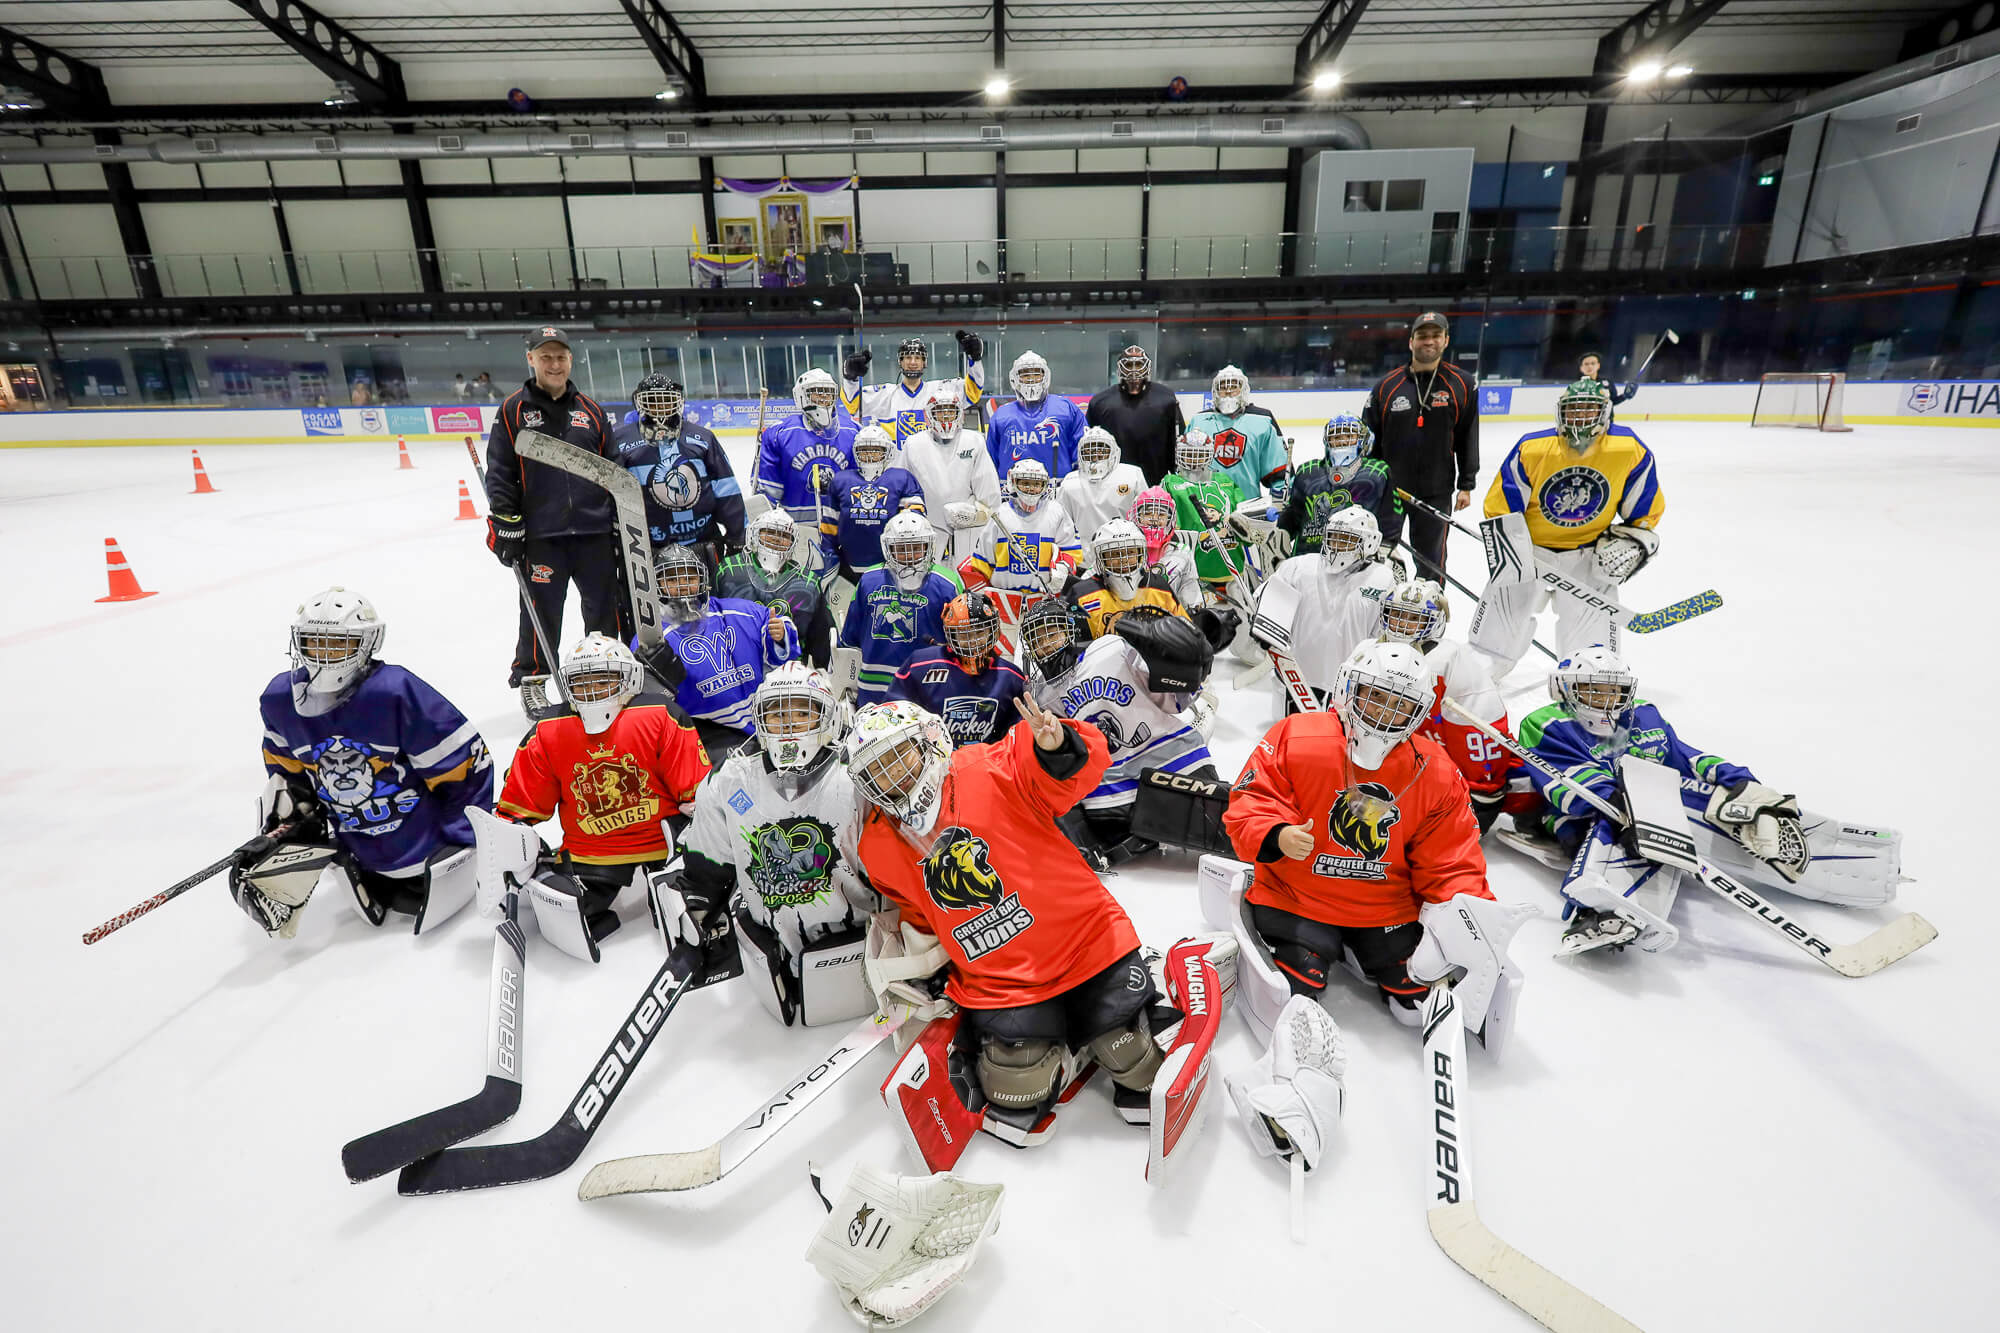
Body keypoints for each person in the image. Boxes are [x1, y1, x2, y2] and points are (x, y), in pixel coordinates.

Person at [843, 697, 1171, 1122]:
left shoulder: (989, 765)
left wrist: (1056, 746)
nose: (890, 774)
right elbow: (920, 911)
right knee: (1016, 1087)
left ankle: (1111, 1021)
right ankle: (1069, 1044)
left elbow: (1073, 771)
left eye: (897, 754)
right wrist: (925, 969)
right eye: (876, 768)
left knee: (1136, 1066)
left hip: (1085, 945)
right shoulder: (878, 845)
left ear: (928, 741)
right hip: (1001, 978)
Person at [1222, 640, 1520, 1043]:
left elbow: (1451, 858)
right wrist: (1274, 832)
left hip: (1383, 908)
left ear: (1419, 712)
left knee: (1416, 993)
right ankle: (1319, 949)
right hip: (1296, 895)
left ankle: (1362, 949)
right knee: (1297, 983)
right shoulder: (1299, 735)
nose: (1386, 711)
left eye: (1402, 704)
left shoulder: (1435, 771)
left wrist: (1469, 916)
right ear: (1349, 688)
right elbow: (1254, 797)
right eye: (1376, 695)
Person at [1515, 646, 1903, 955]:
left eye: (1614, 691)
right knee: (1608, 825)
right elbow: (1563, 783)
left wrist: (1739, 783)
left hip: (1649, 800)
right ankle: (1601, 911)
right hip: (1575, 815)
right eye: (1594, 690)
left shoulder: (1644, 716)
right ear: (1565, 689)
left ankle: (1833, 856)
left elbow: (1686, 757)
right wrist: (1622, 803)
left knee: (1728, 802)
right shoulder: (1547, 723)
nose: (1606, 700)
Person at [236, 587, 492, 940]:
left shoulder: (392, 692)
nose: (324, 656)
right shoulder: (280, 700)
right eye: (314, 642)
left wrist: (464, 839)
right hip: (357, 860)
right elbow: (286, 779)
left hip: (431, 857)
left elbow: (463, 766)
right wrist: (288, 833)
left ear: (368, 643)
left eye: (338, 644)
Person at [480, 633, 711, 963]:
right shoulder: (548, 731)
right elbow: (521, 806)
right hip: (594, 850)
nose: (591, 691)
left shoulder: (661, 715)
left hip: (666, 844)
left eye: (602, 680)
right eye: (582, 682)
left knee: (696, 902)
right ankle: (558, 880)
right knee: (567, 909)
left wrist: (705, 846)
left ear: (628, 678)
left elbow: (695, 794)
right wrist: (511, 850)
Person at [678, 664, 878, 1027]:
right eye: (777, 714)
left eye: (802, 713)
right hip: (771, 952)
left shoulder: (857, 775)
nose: (788, 726)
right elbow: (710, 854)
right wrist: (700, 901)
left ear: (828, 716)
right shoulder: (730, 778)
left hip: (857, 948)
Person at [1469, 380, 1665, 675]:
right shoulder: (1533, 448)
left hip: (1587, 556)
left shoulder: (1628, 449)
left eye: (1589, 409)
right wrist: (1513, 553)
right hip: (1530, 552)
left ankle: (1589, 693)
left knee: (1592, 655)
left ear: (1605, 413)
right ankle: (1475, 685)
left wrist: (1634, 542)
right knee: (1495, 639)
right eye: (1574, 410)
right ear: (1561, 413)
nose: (1581, 417)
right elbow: (1501, 507)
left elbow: (1643, 511)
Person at [1021, 597, 1218, 868]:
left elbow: (1174, 698)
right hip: (1111, 791)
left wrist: (1182, 666)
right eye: (1037, 639)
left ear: (1070, 630)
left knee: (1226, 822)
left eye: (1051, 633)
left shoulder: (1110, 648)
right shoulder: (1041, 695)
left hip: (1168, 760)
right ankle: (1085, 846)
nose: (1045, 644)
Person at [482, 325, 621, 689]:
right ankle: (534, 680)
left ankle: (606, 675)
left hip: (594, 535)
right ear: (531, 359)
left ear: (571, 359)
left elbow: (614, 468)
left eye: (560, 356)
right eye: (546, 357)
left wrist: (620, 520)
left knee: (604, 612)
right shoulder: (513, 411)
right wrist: (507, 520)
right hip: (543, 537)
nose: (554, 364)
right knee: (539, 616)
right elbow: (499, 471)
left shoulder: (591, 411)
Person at [1372, 580, 1511, 832]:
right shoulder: (1368, 650)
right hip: (1388, 764)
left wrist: (1481, 794)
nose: (1402, 624)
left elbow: (1479, 730)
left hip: (1442, 779)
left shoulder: (1448, 661)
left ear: (1434, 622)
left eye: (1413, 618)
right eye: (1396, 614)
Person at [635, 545, 799, 758]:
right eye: (673, 580)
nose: (683, 585)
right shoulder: (652, 639)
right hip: (704, 738)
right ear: (658, 585)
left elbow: (785, 650)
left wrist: (781, 635)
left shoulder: (742, 611)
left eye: (689, 577)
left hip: (764, 724)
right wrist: (656, 683)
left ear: (702, 580)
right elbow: (651, 709)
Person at [1360, 311, 1477, 577]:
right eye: (1422, 336)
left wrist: (1466, 484)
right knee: (1378, 555)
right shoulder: (1386, 386)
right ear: (1411, 342)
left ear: (1446, 340)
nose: (1429, 341)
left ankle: (1429, 613)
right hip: (1390, 491)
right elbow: (1369, 440)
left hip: (1436, 491)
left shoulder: (1462, 384)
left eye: (1436, 335)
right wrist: (1367, 483)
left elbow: (1468, 435)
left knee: (1431, 561)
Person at [1251, 507, 1399, 707]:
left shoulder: (1382, 578)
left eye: (1346, 539)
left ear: (1369, 541)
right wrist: (1265, 623)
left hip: (1350, 687)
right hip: (1296, 679)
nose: (1337, 546)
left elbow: (1383, 636)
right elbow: (1264, 600)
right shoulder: (1297, 567)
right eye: (1333, 538)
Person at [616, 374, 745, 567]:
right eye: (653, 401)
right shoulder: (621, 441)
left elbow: (726, 488)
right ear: (640, 403)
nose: (660, 408)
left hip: (702, 542)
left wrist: (737, 536)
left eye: (665, 401)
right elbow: (612, 494)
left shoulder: (703, 438)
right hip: (646, 548)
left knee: (711, 596)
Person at [957, 458, 1080, 650]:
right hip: (1003, 605)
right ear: (1013, 482)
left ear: (1045, 485)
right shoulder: (999, 515)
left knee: (1044, 662)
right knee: (1005, 663)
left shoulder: (1056, 512)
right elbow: (981, 564)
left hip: (1044, 604)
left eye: (1036, 483)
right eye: (1026, 483)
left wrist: (1062, 569)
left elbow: (1072, 550)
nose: (1031, 489)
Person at [839, 509, 960, 704]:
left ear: (929, 545)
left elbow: (961, 641)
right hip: (873, 691)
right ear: (888, 547)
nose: (909, 555)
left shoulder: (947, 583)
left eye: (916, 547)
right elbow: (850, 642)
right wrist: (845, 686)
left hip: (929, 687)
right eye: (901, 548)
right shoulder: (869, 580)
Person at [884, 591, 1030, 747]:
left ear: (993, 630)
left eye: (980, 632)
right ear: (951, 635)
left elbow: (1017, 738)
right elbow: (892, 716)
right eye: (964, 634)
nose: (973, 641)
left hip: (987, 765)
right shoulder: (919, 666)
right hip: (932, 765)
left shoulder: (1012, 678)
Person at [755, 367, 858, 566]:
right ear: (802, 396)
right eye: (816, 392)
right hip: (795, 534)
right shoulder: (780, 434)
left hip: (842, 531)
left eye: (827, 392)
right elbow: (767, 495)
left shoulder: (853, 432)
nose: (823, 398)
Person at [716, 509, 837, 668]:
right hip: (736, 669)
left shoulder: (808, 583)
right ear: (754, 533)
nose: (777, 539)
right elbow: (710, 623)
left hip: (789, 673)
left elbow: (823, 638)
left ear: (794, 542)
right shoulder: (728, 570)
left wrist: (827, 673)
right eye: (770, 532)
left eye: (785, 536)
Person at [900, 384, 1001, 567]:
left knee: (966, 585)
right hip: (927, 529)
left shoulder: (974, 440)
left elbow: (990, 498)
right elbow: (901, 489)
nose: (945, 417)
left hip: (967, 532)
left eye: (950, 411)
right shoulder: (913, 444)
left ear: (960, 414)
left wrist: (973, 515)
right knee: (929, 585)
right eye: (940, 412)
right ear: (929, 414)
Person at [1276, 414, 1397, 560]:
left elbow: (1390, 516)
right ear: (1327, 441)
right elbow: (1293, 514)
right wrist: (1280, 532)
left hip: (1359, 560)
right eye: (1336, 437)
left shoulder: (1377, 472)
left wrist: (1386, 547)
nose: (1342, 442)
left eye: (1349, 436)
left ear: (1363, 440)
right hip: (1308, 559)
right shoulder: (1307, 472)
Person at [819, 423, 928, 580]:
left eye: (876, 450)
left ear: (888, 451)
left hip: (893, 565)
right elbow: (829, 524)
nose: (869, 454)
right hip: (848, 564)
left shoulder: (902, 478)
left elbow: (915, 523)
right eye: (864, 450)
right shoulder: (841, 480)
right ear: (856, 452)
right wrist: (829, 554)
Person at [843, 332, 987, 444]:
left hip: (931, 470)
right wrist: (850, 378)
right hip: (896, 473)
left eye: (918, 358)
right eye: (908, 357)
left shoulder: (941, 391)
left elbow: (972, 391)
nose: (913, 362)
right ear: (900, 362)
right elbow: (853, 405)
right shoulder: (885, 394)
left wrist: (975, 359)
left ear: (925, 362)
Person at [1063, 518, 1191, 638]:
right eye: (1114, 554)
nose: (1123, 560)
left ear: (1141, 552)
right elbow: (1076, 648)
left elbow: (1186, 633)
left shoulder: (1159, 587)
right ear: (1100, 558)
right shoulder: (1082, 595)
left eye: (1130, 552)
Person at [1162, 430, 1247, 598]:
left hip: (1232, 571)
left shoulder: (1225, 481)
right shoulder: (1171, 483)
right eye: (1188, 454)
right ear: (1179, 455)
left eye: (1200, 455)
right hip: (1195, 575)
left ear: (1210, 455)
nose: (1194, 460)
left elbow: (1244, 517)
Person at [1085, 345, 1184, 485]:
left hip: (1156, 482)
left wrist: (1176, 477)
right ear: (1120, 367)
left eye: (1138, 364)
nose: (1133, 369)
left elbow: (1176, 442)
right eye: (1129, 364)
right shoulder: (1100, 402)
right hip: (1113, 484)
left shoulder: (1166, 398)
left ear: (1146, 366)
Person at [1188, 365, 1289, 500]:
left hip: (1247, 507)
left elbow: (1279, 473)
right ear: (1215, 391)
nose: (1228, 391)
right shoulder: (1199, 422)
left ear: (1243, 390)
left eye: (1234, 387)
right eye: (1223, 387)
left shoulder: (1263, 421)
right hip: (1206, 506)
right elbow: (1184, 469)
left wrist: (1278, 502)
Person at [987, 351, 1084, 478]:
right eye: (1025, 375)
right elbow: (989, 462)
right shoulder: (1001, 416)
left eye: (1037, 374)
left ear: (1046, 376)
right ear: (1014, 378)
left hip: (1059, 490)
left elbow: (1083, 452)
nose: (1032, 379)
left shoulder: (1066, 409)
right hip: (1011, 494)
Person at [1054, 425, 1146, 539]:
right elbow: (1062, 525)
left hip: (1125, 550)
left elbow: (1145, 518)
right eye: (1089, 449)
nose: (1095, 454)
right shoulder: (1070, 482)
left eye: (1101, 448)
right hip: (1084, 552)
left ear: (1113, 451)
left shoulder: (1132, 475)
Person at [1126, 486, 1204, 612]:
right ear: (1135, 516)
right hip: (1129, 619)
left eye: (1161, 514)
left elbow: (1190, 593)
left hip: (1168, 621)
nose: (1154, 518)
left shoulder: (1181, 552)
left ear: (1171, 520)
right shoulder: (1122, 547)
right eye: (1147, 513)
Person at [1578, 352, 1637, 423]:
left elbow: (1612, 401)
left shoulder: (1607, 383)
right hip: (1585, 424)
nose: (1590, 366)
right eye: (1586, 364)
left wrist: (1624, 396)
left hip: (1607, 422)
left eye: (1593, 363)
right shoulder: (1576, 386)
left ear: (1598, 365)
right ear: (1581, 368)